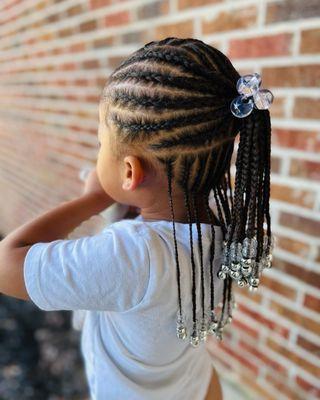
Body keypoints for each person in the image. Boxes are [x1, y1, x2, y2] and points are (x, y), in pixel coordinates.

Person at [0, 37, 275, 400]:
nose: (98, 152)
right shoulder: (219, 229)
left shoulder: (132, 256)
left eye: (102, 144)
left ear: (130, 173)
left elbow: (7, 264)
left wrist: (92, 199)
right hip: (196, 386)